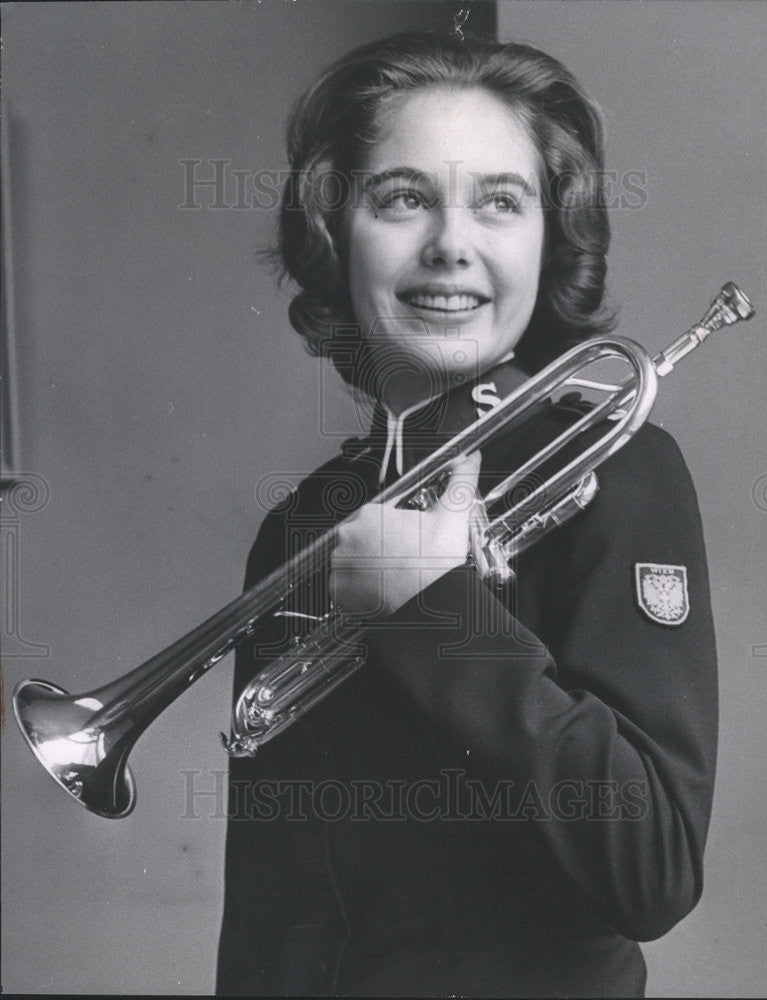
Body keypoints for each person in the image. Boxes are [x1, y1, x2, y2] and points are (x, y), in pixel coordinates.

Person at [216, 30, 717, 998]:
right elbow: (273, 907)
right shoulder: (300, 526)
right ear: (333, 228)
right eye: (403, 197)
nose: (451, 244)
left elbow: (653, 869)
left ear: (547, 237)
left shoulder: (616, 468)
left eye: (500, 201)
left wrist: (437, 611)